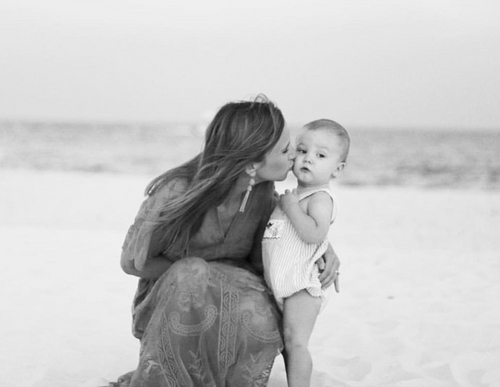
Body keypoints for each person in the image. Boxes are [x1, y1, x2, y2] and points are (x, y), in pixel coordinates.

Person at [115, 96, 340, 387]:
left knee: (260, 309)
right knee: (191, 274)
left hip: (235, 289)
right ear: (251, 163)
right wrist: (205, 276)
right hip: (175, 293)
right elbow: (133, 262)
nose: (294, 158)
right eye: (287, 150)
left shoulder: (262, 191)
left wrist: (323, 249)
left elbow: (279, 238)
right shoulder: (176, 191)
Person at [262, 119, 350, 387]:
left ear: (337, 169)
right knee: (287, 343)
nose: (308, 159)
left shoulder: (320, 198)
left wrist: (290, 207)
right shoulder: (291, 197)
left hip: (301, 285)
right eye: (302, 150)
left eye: (320, 155)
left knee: (296, 342)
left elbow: (314, 234)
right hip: (280, 282)